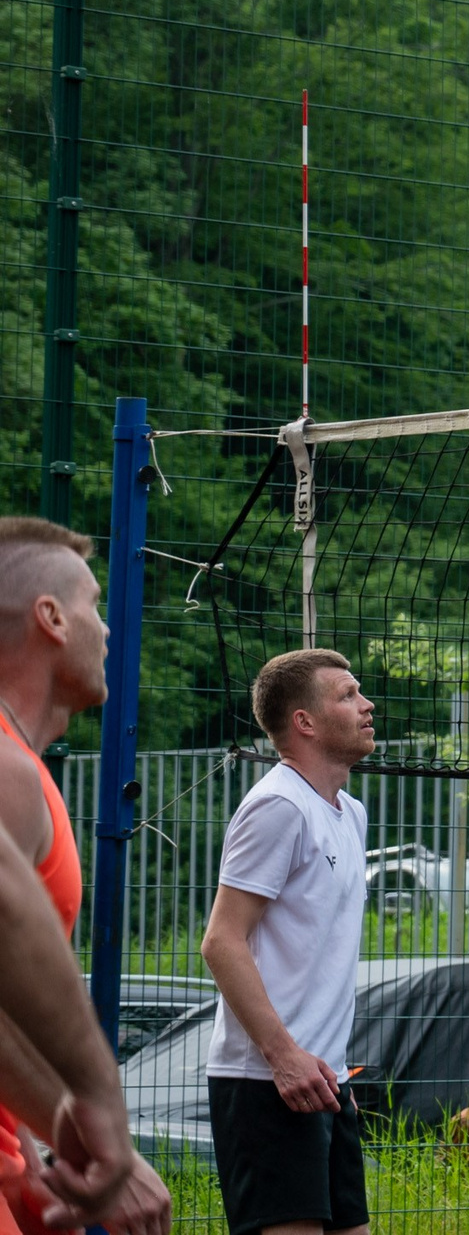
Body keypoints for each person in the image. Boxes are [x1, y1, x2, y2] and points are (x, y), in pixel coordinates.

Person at [0, 518, 171, 1235]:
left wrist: (32, 1151)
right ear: (51, 616)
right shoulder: (5, 768)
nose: (106, 628)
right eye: (94, 604)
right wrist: (93, 1106)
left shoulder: (23, 767)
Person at [200, 650, 378, 1235]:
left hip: (323, 1083)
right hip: (266, 1082)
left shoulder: (348, 813)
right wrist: (285, 1058)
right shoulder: (278, 804)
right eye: (347, 695)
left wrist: (322, 1067)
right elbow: (221, 942)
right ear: (304, 721)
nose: (366, 705)